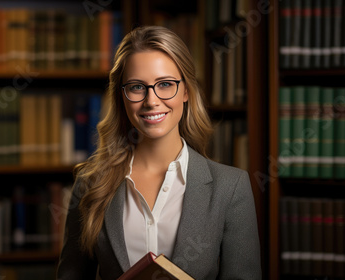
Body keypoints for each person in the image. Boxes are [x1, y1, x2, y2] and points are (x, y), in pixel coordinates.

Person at [57, 25, 261, 280]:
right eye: (136, 87)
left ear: (186, 91)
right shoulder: (90, 185)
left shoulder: (231, 187)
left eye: (165, 84)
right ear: (121, 96)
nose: (151, 100)